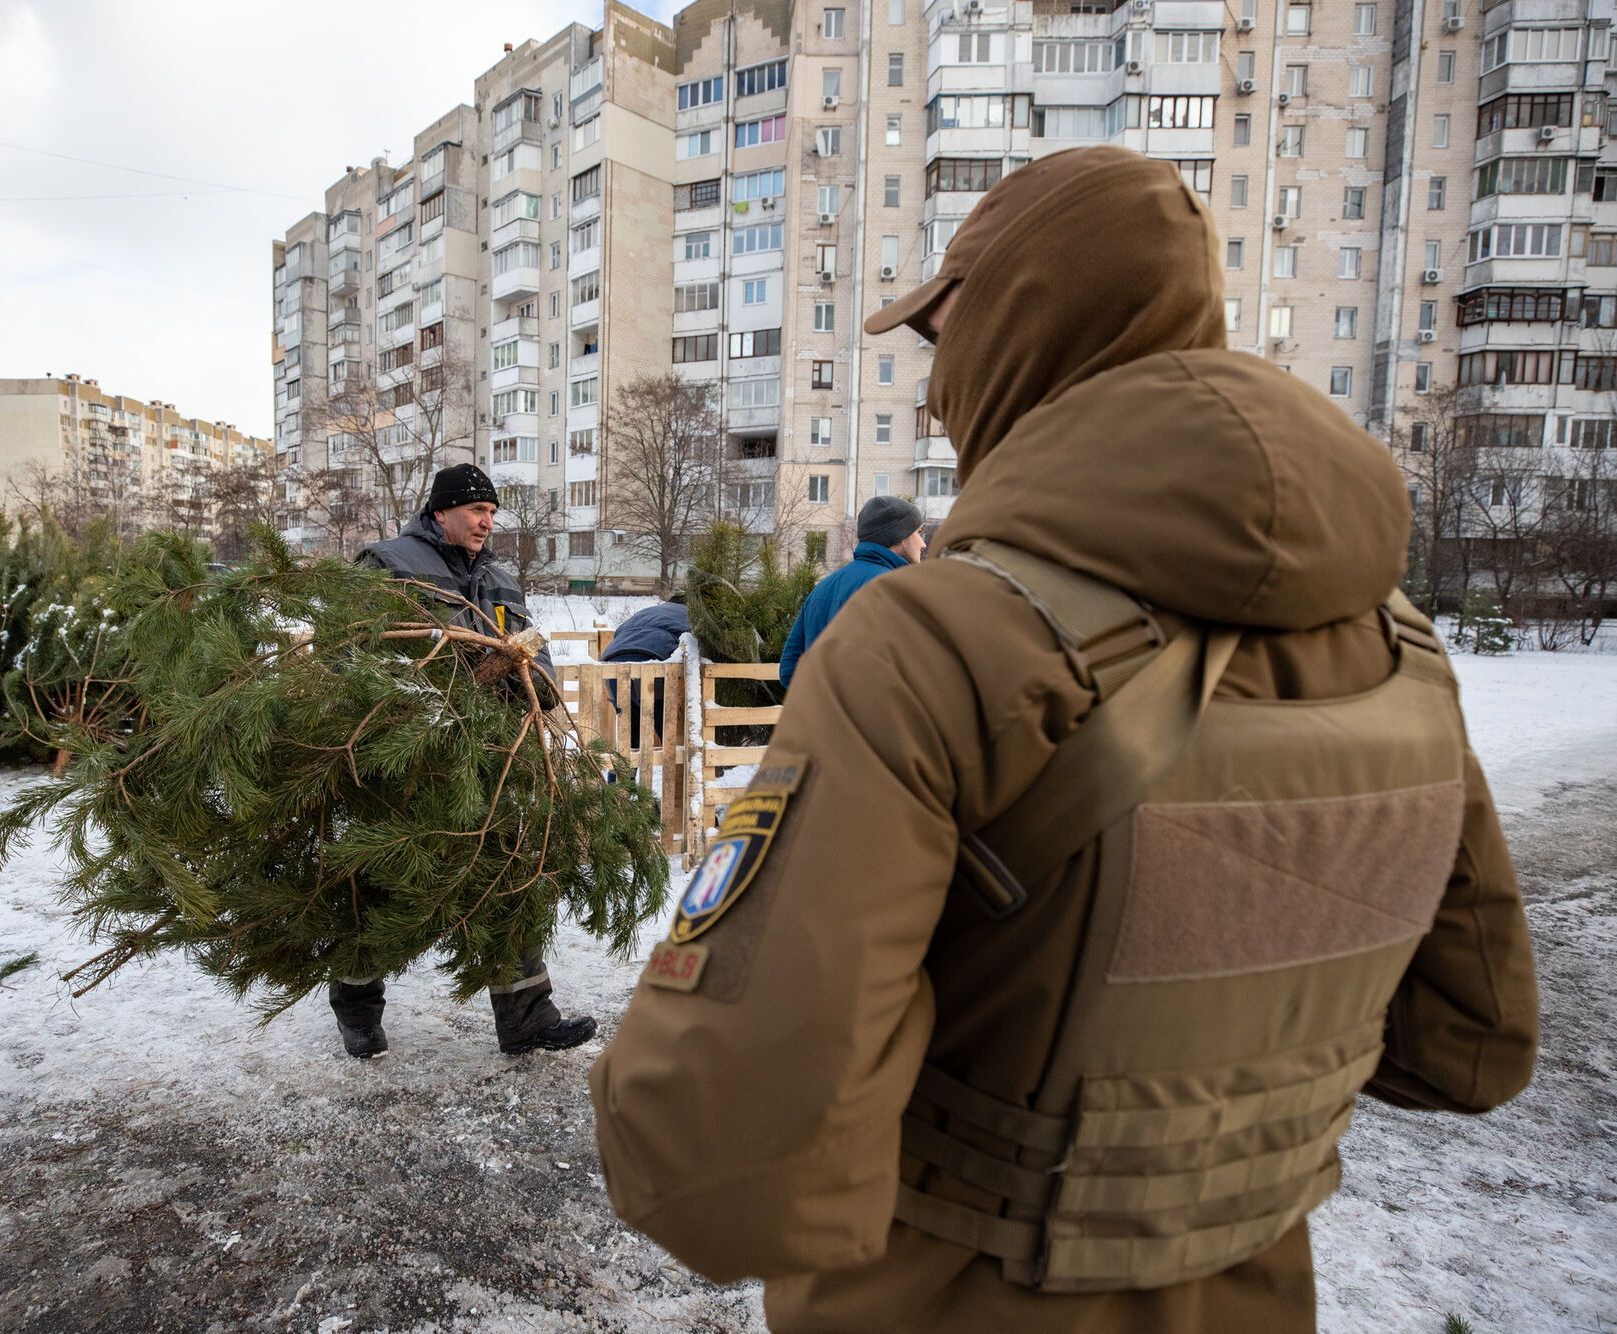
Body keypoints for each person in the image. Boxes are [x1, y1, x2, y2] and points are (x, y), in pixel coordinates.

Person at [589, 146, 1538, 1332]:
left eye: (944, 342)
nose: (933, 397)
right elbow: (1469, 1043)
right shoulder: (1402, 650)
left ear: (1020, 333)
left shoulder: (935, 644)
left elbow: (713, 1152)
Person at [339, 462, 597, 1060]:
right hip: (409, 759)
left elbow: (534, 650)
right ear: (440, 513)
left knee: (505, 875)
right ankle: (356, 1010)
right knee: (382, 883)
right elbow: (352, 654)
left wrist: (537, 683)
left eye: (491, 512)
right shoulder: (388, 566)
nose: (486, 521)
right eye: (476, 510)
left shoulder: (502, 580)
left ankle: (527, 1016)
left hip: (489, 755)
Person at [777, 496, 925, 690]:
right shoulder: (894, 590)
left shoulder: (823, 588)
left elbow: (788, 670)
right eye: (918, 532)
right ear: (899, 536)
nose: (923, 543)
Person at [600, 593, 689, 750]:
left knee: (629, 734)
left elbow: (619, 632)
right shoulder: (690, 616)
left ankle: (624, 774)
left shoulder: (648, 611)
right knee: (668, 731)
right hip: (653, 664)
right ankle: (672, 767)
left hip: (613, 664)